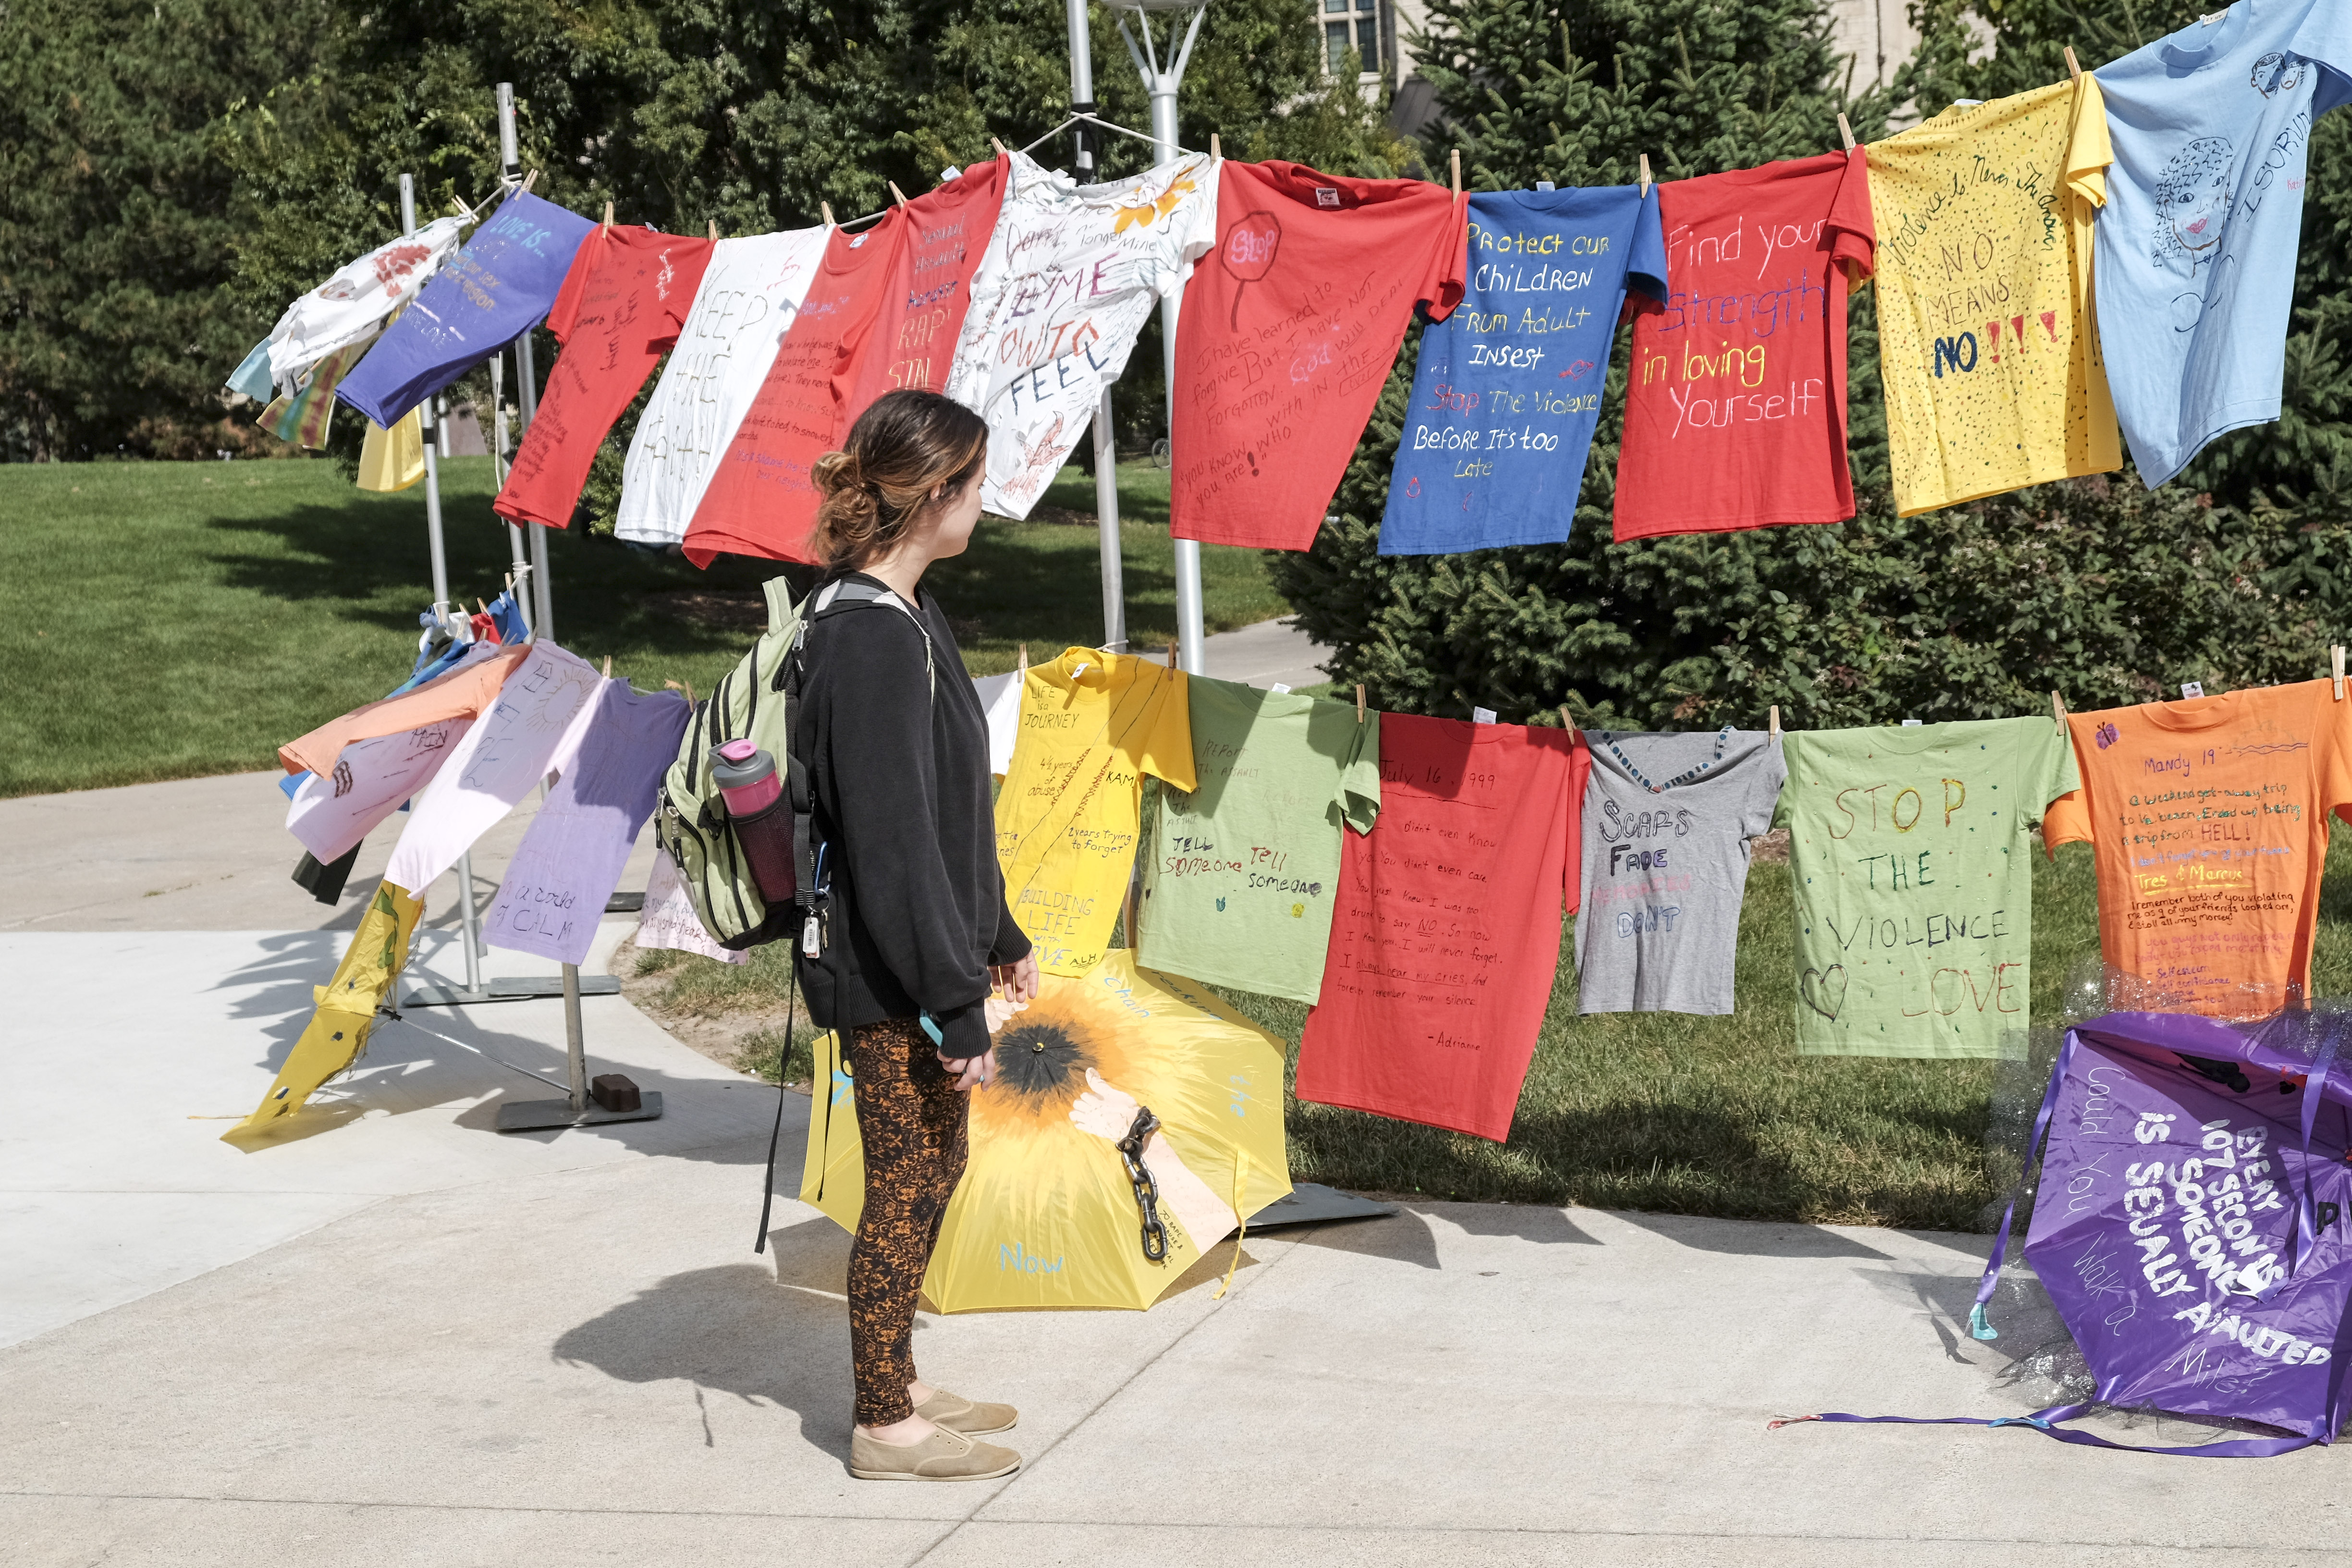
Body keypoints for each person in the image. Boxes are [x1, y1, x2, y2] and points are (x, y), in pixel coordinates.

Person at [795, 388, 1040, 1482]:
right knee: (904, 1182)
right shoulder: (866, 640)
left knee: (935, 1168)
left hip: (927, 955)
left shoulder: (912, 614)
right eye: (977, 483)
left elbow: (953, 804)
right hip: (885, 970)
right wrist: (954, 999)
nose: (985, 503)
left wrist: (999, 929)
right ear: (934, 493)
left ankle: (899, 1375)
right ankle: (881, 1423)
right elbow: (891, 848)